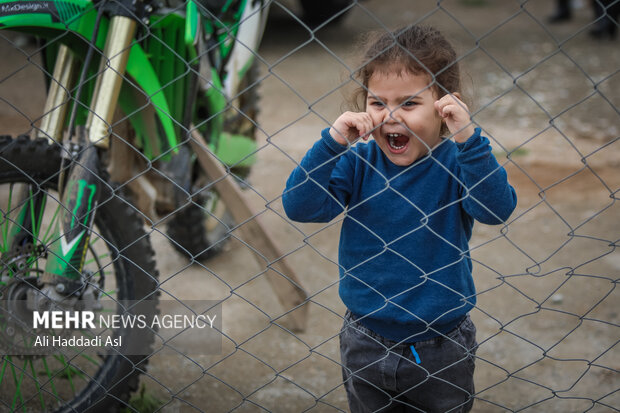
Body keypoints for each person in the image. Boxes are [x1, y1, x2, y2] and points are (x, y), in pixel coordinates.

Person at [282, 25, 517, 412]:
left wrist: (468, 138)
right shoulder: (358, 162)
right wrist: (331, 142)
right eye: (378, 103)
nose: (391, 116)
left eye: (409, 103)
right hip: (364, 337)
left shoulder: (458, 163)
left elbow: (495, 209)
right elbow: (300, 206)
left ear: (445, 105)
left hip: (441, 344)